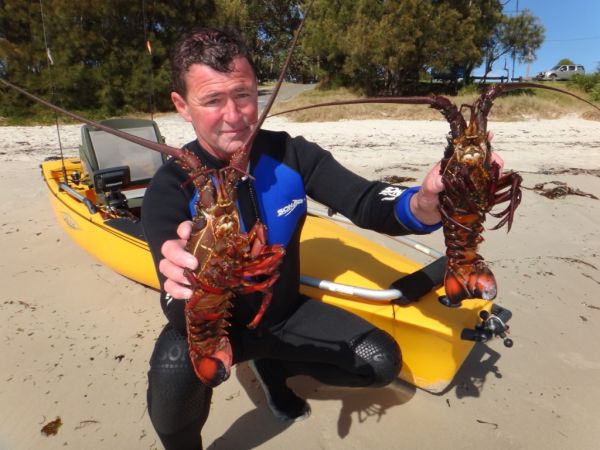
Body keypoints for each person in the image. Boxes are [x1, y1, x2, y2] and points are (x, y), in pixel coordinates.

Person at [141, 27, 493, 450]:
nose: (234, 116)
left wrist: (425, 201)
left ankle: (276, 369)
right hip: (213, 330)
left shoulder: (291, 154)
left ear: (257, 90)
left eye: (244, 95)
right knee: (171, 394)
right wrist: (176, 271)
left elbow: (365, 200)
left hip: (286, 315)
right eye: (213, 100)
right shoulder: (170, 185)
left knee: (380, 363)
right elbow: (168, 265)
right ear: (182, 105)